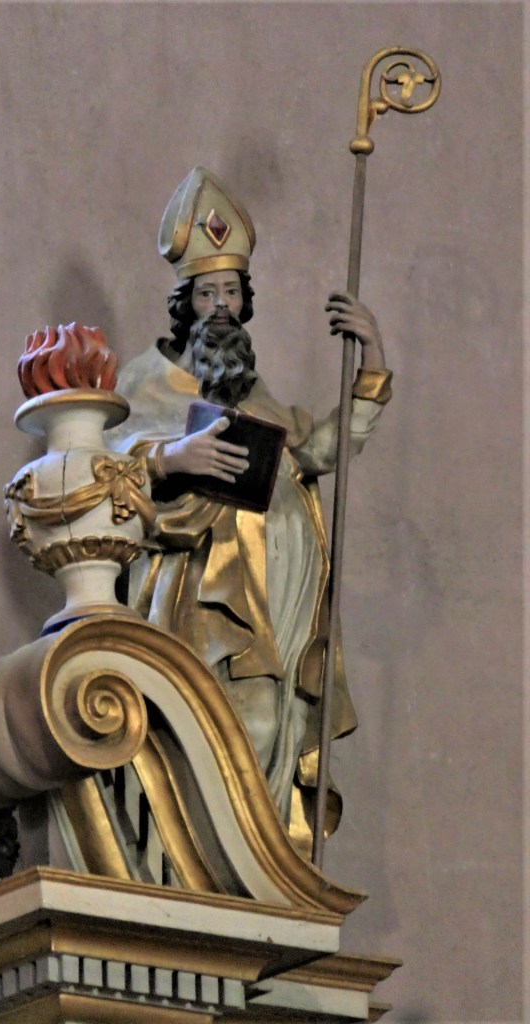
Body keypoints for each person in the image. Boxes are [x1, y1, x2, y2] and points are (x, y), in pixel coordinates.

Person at [112, 168, 392, 845]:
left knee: (271, 726)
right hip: (196, 602)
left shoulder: (255, 391)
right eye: (207, 293)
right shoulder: (144, 382)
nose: (221, 307)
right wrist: (174, 458)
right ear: (184, 302)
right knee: (220, 726)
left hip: (278, 603)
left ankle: (258, 870)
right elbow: (104, 473)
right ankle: (207, 864)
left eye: (232, 292)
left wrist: (372, 359)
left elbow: (316, 450)